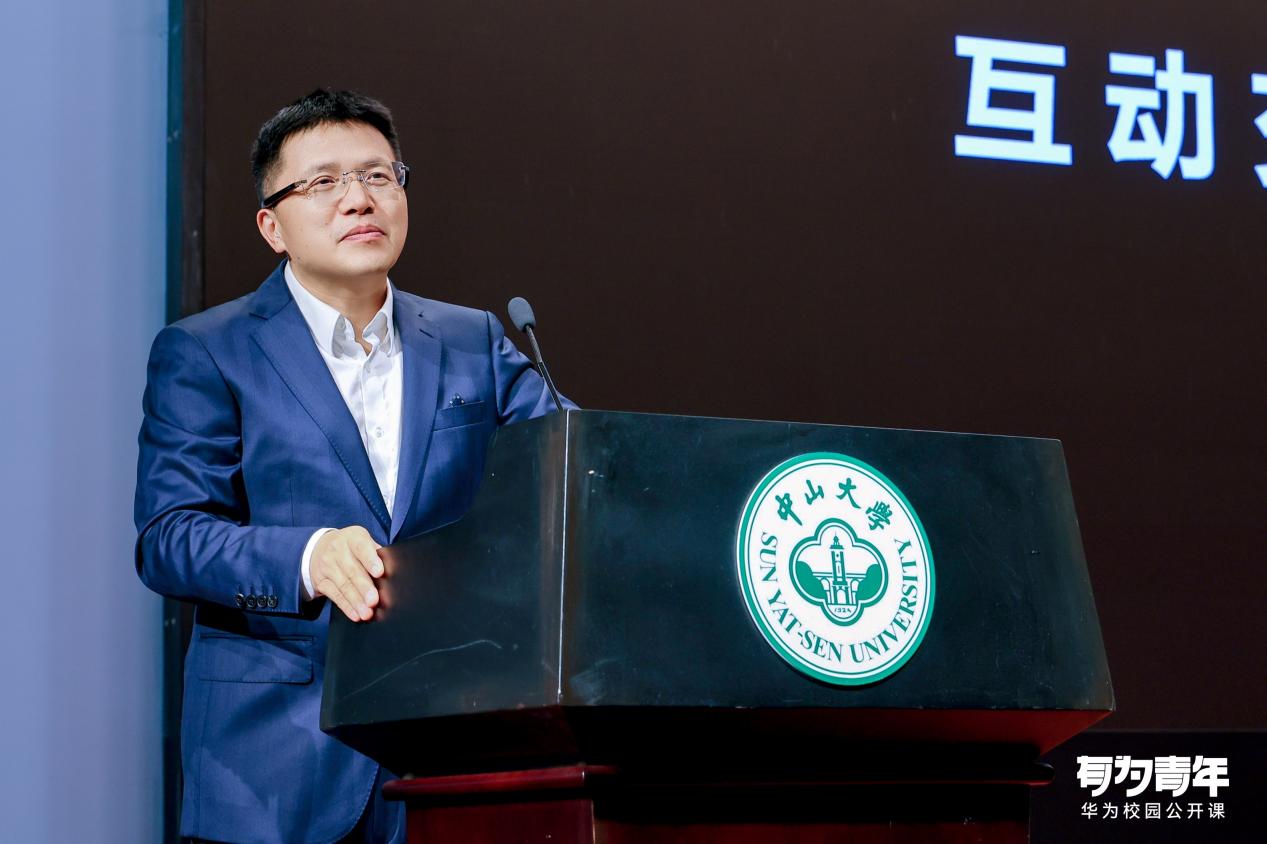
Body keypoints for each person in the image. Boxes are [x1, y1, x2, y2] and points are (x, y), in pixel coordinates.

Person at [134, 89, 572, 844]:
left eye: (377, 176)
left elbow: (572, 469)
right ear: (272, 226)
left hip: (451, 752)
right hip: (276, 767)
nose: (358, 199)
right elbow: (169, 537)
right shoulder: (207, 352)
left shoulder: (471, 340)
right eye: (323, 182)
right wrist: (307, 558)